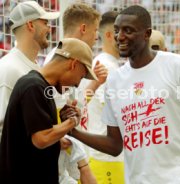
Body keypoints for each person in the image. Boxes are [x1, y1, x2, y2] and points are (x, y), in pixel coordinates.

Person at [66, 5, 180, 183]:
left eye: (128, 30)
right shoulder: (114, 81)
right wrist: (73, 131)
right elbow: (115, 144)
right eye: (117, 31)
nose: (120, 37)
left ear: (147, 34)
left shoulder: (179, 66)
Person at [0, 38, 95, 184]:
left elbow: (38, 136)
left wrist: (63, 123)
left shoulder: (42, 87)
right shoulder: (33, 86)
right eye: (81, 77)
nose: (77, 84)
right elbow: (42, 138)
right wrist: (72, 122)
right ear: (73, 64)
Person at [43, 3, 103, 184]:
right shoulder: (61, 60)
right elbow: (60, 117)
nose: (96, 37)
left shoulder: (72, 59)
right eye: (95, 30)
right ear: (83, 28)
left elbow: (76, 105)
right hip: (66, 160)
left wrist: (95, 84)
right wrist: (83, 166)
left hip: (73, 156)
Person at [0, 0, 59, 141]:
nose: (49, 28)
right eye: (45, 23)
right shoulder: (10, 68)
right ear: (30, 25)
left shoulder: (31, 67)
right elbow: (3, 128)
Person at [83, 10, 125, 184]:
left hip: (106, 156)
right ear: (109, 34)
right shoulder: (106, 67)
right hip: (106, 159)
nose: (126, 37)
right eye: (122, 32)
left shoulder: (108, 65)